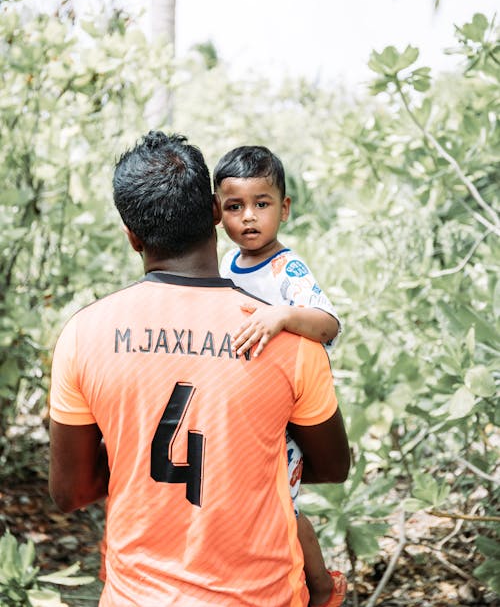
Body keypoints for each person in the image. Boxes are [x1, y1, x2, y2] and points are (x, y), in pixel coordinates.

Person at [49, 131, 350, 607]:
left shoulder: (83, 334)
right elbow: (333, 466)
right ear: (215, 211)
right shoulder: (287, 338)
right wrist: (238, 464)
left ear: (131, 235)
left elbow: (70, 491)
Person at [214, 145, 346, 607]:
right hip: (247, 405)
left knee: (283, 509)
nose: (249, 218)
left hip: (289, 409)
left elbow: (328, 322)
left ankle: (320, 583)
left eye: (262, 204)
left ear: (284, 209)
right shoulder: (225, 267)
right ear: (217, 213)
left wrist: (283, 316)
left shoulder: (286, 269)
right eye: (235, 207)